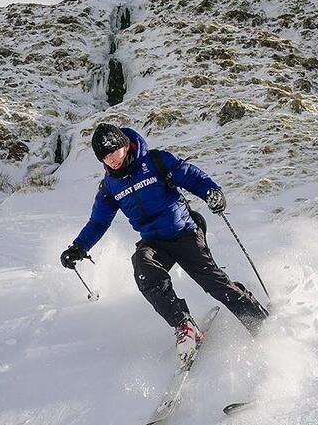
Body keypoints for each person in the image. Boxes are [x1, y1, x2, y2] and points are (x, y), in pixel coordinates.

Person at [60, 123, 268, 361]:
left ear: (125, 146)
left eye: (114, 152)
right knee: (143, 267)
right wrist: (79, 246)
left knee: (214, 283)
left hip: (185, 233)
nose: (112, 160)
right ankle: (184, 326)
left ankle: (260, 322)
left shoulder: (156, 162)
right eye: (105, 157)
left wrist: (213, 192)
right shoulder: (110, 187)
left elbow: (191, 177)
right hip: (154, 242)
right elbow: (98, 222)